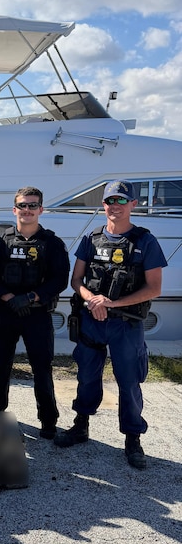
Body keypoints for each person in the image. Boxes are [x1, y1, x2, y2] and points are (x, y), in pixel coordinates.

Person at [55, 179, 167, 469]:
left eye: (121, 200)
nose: (114, 206)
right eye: (109, 201)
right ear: (103, 204)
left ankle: (132, 439)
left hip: (125, 325)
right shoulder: (91, 238)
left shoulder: (145, 241)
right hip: (92, 320)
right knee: (86, 376)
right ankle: (81, 425)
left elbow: (154, 288)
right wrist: (92, 299)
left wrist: (111, 303)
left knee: (129, 382)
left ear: (133, 204)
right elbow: (76, 280)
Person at [0, 186, 70, 438]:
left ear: (41, 209)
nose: (27, 210)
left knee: (41, 367)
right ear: (15, 209)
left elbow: (59, 279)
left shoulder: (52, 243)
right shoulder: (1, 242)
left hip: (37, 313)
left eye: (33, 205)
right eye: (23, 205)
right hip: (6, 311)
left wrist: (32, 297)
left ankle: (48, 420)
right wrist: (9, 297)